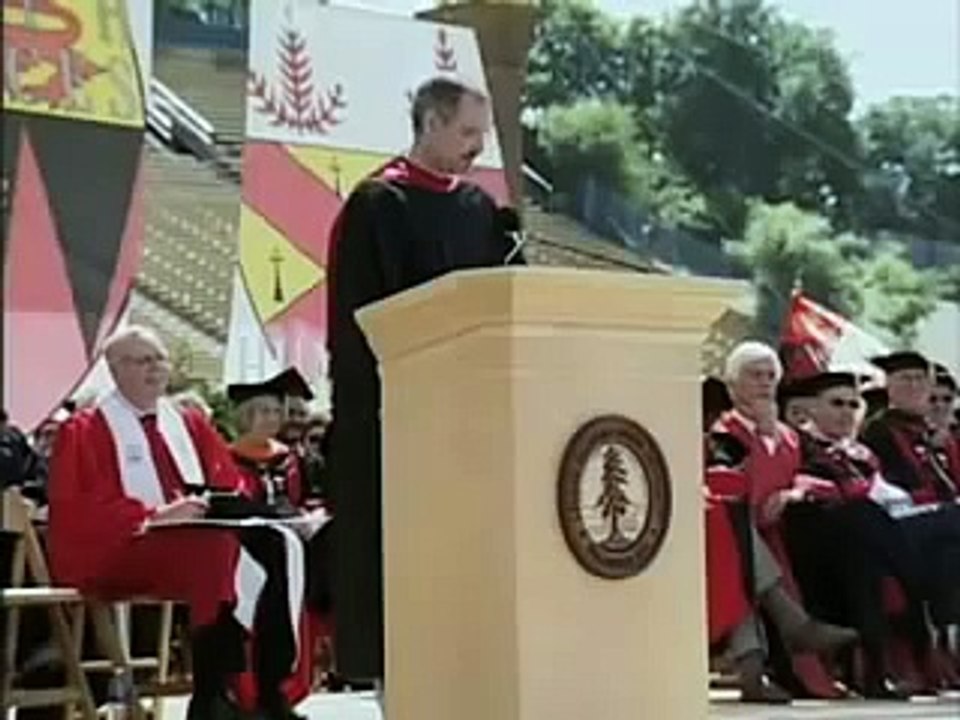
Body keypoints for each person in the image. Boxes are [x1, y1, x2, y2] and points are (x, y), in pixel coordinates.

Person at [325, 75, 526, 687]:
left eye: (482, 135)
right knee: (402, 580)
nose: (476, 148)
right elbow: (361, 321)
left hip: (471, 423)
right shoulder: (378, 205)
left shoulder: (480, 211)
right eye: (467, 132)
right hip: (396, 421)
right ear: (431, 123)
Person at [47, 326, 307, 720]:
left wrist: (212, 503)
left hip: (187, 545)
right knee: (218, 551)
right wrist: (154, 515)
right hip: (122, 550)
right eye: (142, 361)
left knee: (277, 544)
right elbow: (79, 507)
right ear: (115, 370)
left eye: (159, 360)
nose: (154, 370)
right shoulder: (84, 430)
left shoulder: (187, 423)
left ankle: (268, 690)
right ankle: (211, 691)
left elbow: (226, 480)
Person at [707, 342, 858, 701]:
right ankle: (788, 635)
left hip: (779, 537)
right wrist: (761, 436)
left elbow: (820, 476)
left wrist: (795, 490)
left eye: (771, 376)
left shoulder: (790, 435)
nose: (764, 383)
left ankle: (763, 664)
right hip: (736, 532)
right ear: (732, 385)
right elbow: (733, 487)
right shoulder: (722, 433)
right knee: (737, 546)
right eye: (754, 375)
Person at [786, 371, 931, 698]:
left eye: (853, 404)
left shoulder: (862, 455)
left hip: (857, 545)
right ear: (809, 409)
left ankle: (875, 672)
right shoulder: (798, 443)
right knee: (865, 515)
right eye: (836, 403)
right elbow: (796, 487)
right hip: (811, 538)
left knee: (866, 558)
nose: (846, 411)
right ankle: (917, 587)